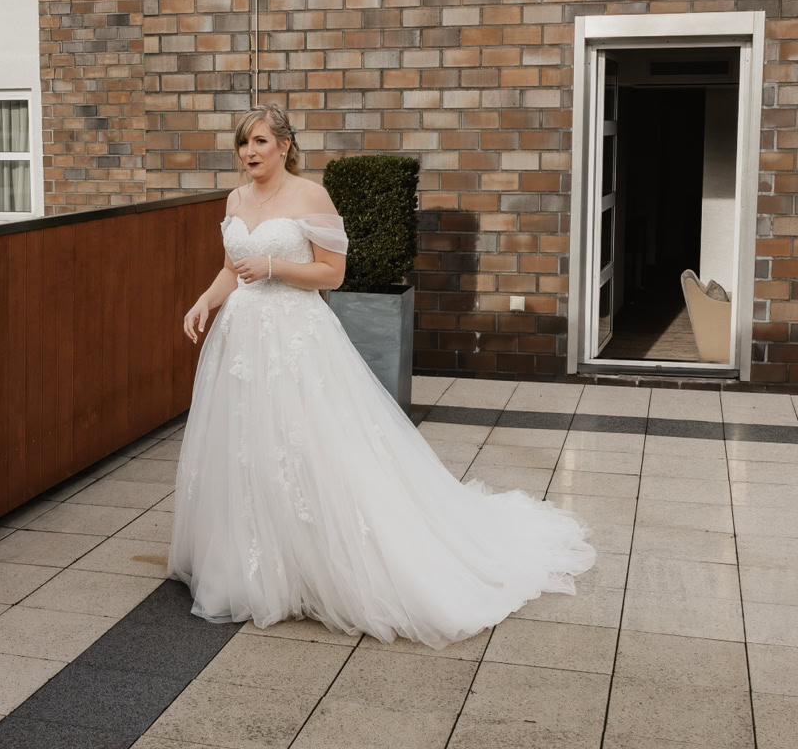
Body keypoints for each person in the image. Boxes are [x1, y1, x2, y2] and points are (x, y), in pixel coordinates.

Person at [170, 105, 594, 649]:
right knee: (247, 447)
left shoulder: (311, 196)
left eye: (258, 141)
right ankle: (254, 563)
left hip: (296, 338)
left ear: (284, 144)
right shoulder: (235, 200)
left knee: (310, 445)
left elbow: (333, 273)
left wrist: (276, 267)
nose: (249, 152)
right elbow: (232, 269)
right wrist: (204, 302)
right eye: (242, 143)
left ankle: (323, 561)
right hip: (242, 339)